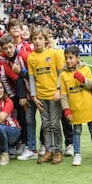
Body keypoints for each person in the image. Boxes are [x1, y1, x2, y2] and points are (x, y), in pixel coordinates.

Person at [59, 45, 92, 166]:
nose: (68, 60)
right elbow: (64, 94)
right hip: (75, 108)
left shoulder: (85, 69)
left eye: (71, 57)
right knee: (76, 131)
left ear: (78, 58)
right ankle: (77, 154)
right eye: (66, 58)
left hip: (88, 106)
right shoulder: (63, 74)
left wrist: (82, 79)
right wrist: (66, 110)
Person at [27, 26, 63, 165]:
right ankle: (49, 150)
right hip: (40, 96)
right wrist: (34, 96)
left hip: (53, 95)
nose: (37, 41)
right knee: (46, 124)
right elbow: (31, 78)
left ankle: (58, 150)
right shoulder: (31, 57)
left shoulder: (53, 54)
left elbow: (61, 73)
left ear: (46, 40)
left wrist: (58, 89)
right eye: (34, 38)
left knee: (54, 123)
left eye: (40, 38)